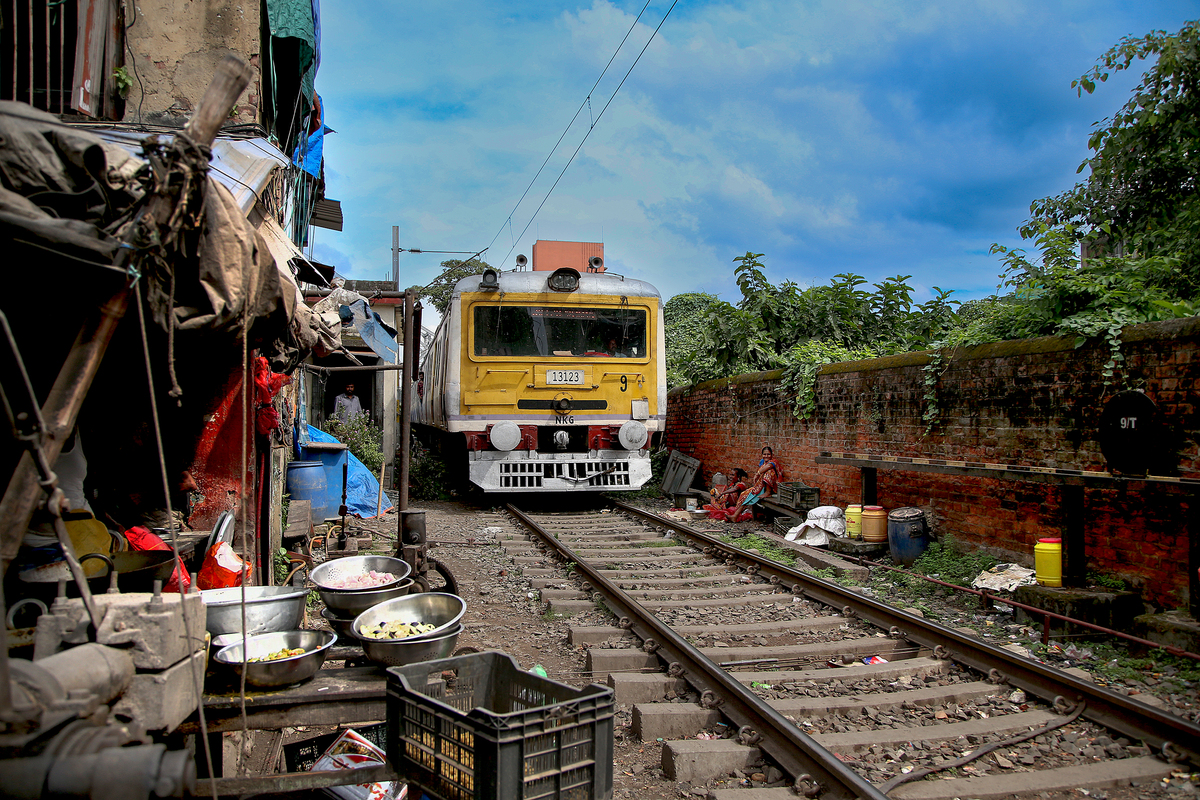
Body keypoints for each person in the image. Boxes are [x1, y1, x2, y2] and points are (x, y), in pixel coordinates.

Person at [725, 446, 782, 522]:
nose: (766, 456)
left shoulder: (774, 462)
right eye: (764, 454)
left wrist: (757, 474)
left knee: (769, 472)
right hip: (761, 486)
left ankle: (767, 492)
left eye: (768, 454)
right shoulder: (762, 462)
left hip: (772, 487)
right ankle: (735, 516)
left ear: (771, 455)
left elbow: (768, 467)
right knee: (745, 495)